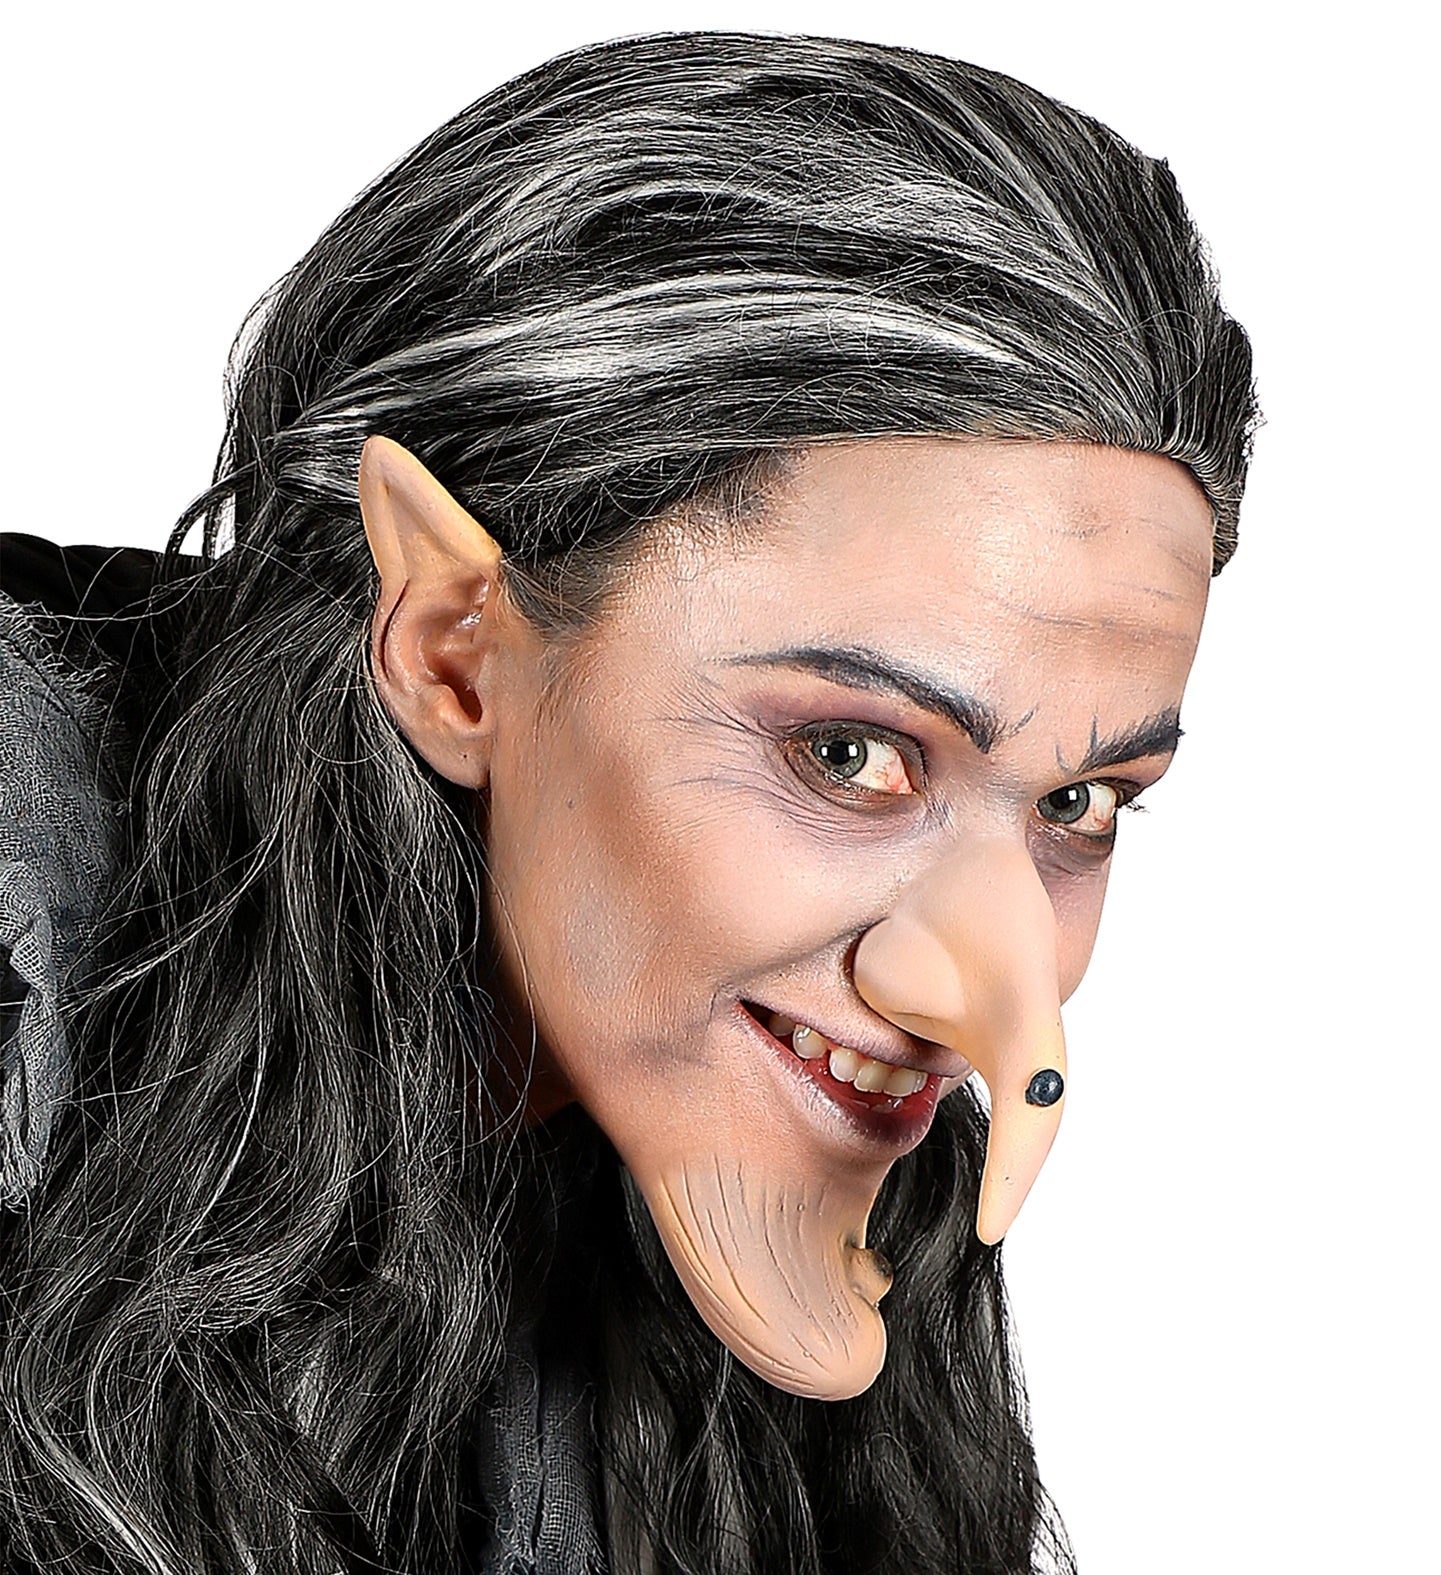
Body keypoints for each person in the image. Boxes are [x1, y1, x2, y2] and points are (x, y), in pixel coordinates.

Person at [0, 31, 1256, 1575]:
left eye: (1075, 801)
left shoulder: (726, 1180)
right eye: (849, 755)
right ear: (456, 648)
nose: (996, 1001)